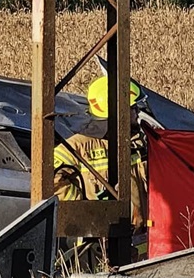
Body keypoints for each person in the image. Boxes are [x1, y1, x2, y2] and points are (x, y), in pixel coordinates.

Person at [53, 75, 150, 255]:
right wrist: (83, 210)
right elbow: (51, 181)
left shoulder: (136, 144)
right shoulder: (77, 147)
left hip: (139, 245)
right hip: (96, 250)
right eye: (132, 108)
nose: (137, 113)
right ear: (118, 111)